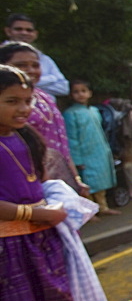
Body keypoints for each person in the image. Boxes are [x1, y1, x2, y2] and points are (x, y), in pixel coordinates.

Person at [0, 64, 108, 301]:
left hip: (39, 241)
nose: (23, 109)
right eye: (12, 101)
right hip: (9, 251)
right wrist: (37, 213)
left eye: (27, 101)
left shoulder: (23, 137)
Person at [0, 42, 87, 196]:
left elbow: (61, 143)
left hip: (53, 181)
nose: (30, 70)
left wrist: (75, 178)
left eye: (35, 65)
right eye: (21, 65)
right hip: (20, 188)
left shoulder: (43, 98)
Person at [62, 80, 119, 215]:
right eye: (76, 92)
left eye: (83, 91)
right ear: (71, 95)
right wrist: (77, 159)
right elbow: (72, 138)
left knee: (101, 180)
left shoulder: (94, 111)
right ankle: (89, 212)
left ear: (89, 93)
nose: (80, 94)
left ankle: (103, 207)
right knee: (87, 183)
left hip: (98, 150)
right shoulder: (70, 114)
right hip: (84, 153)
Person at [3, 14, 69, 98]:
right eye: (18, 29)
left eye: (29, 30)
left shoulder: (45, 59)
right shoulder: (2, 54)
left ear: (35, 34)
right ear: (8, 31)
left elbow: (64, 88)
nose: (24, 33)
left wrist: (27, 82)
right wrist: (51, 79)